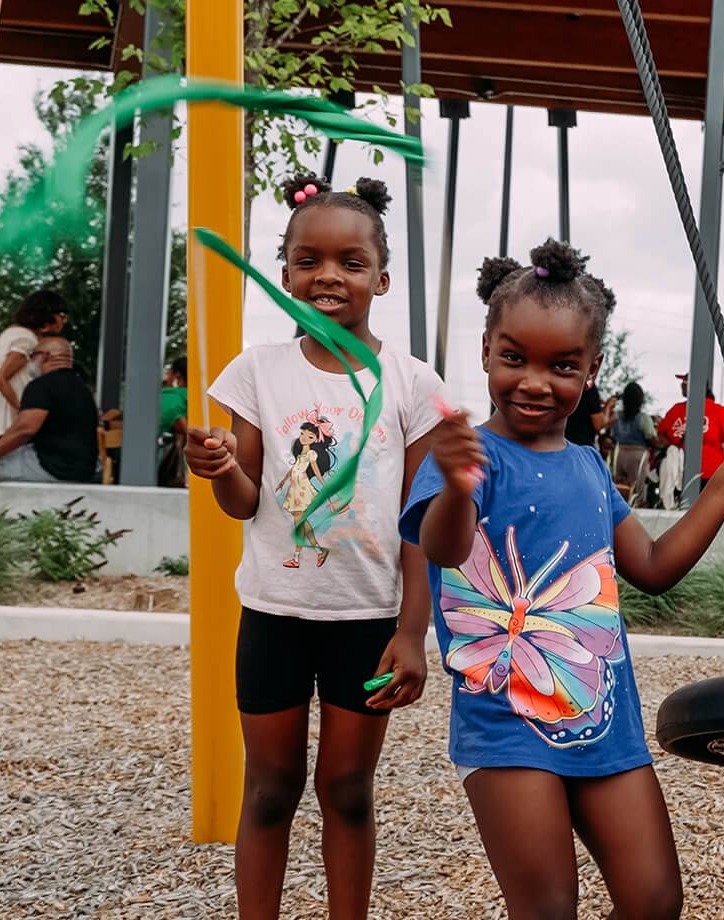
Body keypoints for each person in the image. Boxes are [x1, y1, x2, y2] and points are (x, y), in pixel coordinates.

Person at [403, 239, 724, 920]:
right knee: (547, 909)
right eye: (514, 358)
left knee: (654, 900)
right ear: (486, 349)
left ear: (593, 369)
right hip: (506, 722)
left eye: (562, 365)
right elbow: (445, 547)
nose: (536, 382)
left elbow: (655, 569)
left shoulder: (587, 466)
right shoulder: (469, 454)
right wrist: (459, 486)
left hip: (605, 720)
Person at [184, 174, 440, 920]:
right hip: (274, 614)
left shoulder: (412, 382)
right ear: (285, 270)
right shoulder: (256, 371)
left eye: (350, 262)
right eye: (307, 260)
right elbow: (241, 502)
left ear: (381, 277)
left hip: (366, 622)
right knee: (270, 790)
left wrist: (412, 632)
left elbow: (418, 522)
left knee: (348, 793)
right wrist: (224, 467)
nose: (327, 275)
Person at [0, 336, 99, 483]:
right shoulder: (81, 387)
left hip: (53, 468)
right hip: (82, 469)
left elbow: (24, 431)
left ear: (44, 356)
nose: (29, 362)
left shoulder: (42, 385)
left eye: (32, 356)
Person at [0, 289, 68, 437]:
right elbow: (1, 378)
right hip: (8, 416)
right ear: (48, 314)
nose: (63, 321)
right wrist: (22, 410)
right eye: (62, 316)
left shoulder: (15, 332)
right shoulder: (26, 338)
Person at [660, 375, 724, 492]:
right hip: (679, 473)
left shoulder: (717, 410)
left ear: (695, 386)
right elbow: (660, 435)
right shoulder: (676, 409)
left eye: (685, 382)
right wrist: (672, 449)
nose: (682, 385)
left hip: (711, 473)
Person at [606, 380, 658, 489]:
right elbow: (652, 439)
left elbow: (610, 434)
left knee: (618, 488)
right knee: (637, 490)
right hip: (638, 456)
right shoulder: (644, 418)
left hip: (618, 455)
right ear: (640, 400)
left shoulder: (616, 416)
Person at [157, 357, 190, 487]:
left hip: (170, 470)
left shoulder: (170, 397)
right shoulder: (203, 398)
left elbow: (184, 429)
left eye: (168, 373)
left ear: (177, 376)